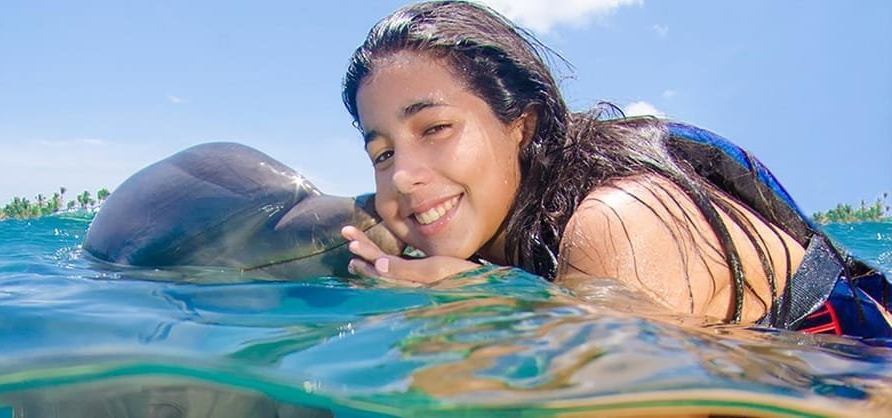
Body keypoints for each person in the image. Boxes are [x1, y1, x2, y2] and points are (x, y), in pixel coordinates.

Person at [339, 1, 891, 339]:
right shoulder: (499, 249)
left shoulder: (619, 220)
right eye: (382, 154)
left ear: (521, 125)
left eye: (435, 128)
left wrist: (485, 307)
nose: (403, 175)